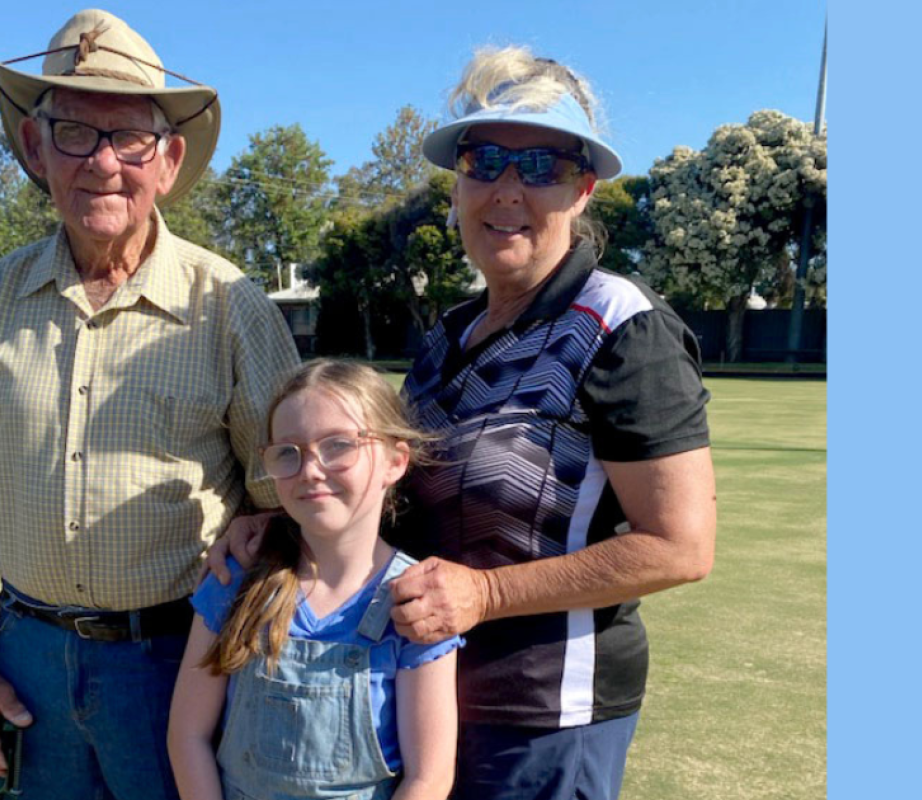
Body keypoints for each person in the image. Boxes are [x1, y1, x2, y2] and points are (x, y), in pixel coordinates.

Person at [211, 46, 716, 800]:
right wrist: (275, 529)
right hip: (422, 696)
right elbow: (391, 493)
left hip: (546, 717)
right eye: (485, 161)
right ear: (458, 186)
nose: (507, 190)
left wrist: (487, 596)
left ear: (582, 189)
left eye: (540, 165)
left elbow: (682, 546)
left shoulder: (621, 325)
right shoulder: (451, 334)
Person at [0, 9, 299, 800]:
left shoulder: (231, 305)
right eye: (75, 133)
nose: (103, 163)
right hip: (27, 666)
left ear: (169, 158)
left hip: (180, 661)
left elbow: (289, 511)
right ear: (34, 148)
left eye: (130, 139)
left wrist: (266, 681)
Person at [169, 360, 461, 800]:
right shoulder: (234, 584)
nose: (309, 470)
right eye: (288, 452)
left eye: (338, 445)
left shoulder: (417, 603)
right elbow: (187, 736)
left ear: (395, 461)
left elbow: (430, 778)